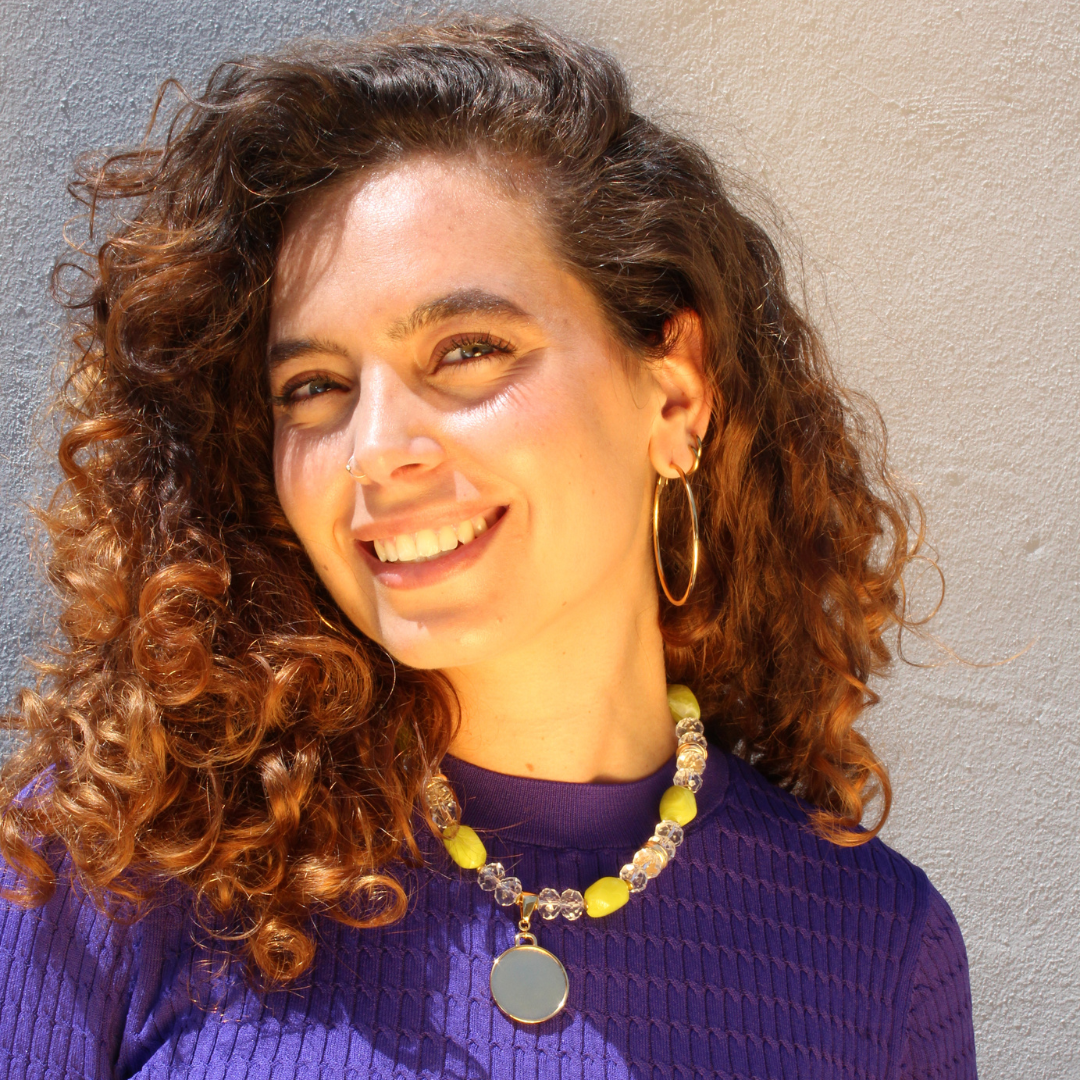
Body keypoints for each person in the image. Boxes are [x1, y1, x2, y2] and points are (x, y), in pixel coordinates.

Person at [0, 16, 977, 1078]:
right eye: (315, 386)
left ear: (674, 394)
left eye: (467, 350)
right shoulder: (103, 866)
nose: (376, 449)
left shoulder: (875, 949)